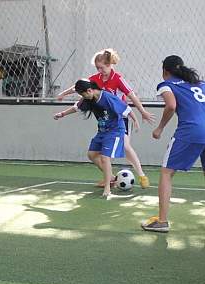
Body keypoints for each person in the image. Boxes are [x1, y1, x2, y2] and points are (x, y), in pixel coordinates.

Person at [141, 55, 205, 233]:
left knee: (166, 172)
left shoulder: (167, 84)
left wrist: (160, 128)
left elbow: (171, 105)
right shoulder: (200, 83)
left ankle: (162, 221)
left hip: (190, 131)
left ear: (165, 71)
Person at [57, 49, 154, 189]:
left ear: (110, 65)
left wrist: (142, 112)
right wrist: (63, 94)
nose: (99, 70)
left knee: (125, 146)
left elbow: (131, 95)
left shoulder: (118, 79)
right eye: (97, 68)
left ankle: (141, 174)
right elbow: (78, 87)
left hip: (121, 116)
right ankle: (111, 178)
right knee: (96, 153)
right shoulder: (95, 79)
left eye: (101, 67)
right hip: (105, 120)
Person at [54, 79, 140, 197]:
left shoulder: (108, 98)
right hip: (102, 132)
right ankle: (113, 178)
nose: (83, 97)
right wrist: (62, 114)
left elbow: (126, 109)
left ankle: (107, 188)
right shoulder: (89, 99)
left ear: (89, 90)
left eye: (83, 95)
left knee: (105, 157)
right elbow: (76, 108)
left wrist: (135, 120)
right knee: (92, 154)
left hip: (114, 131)